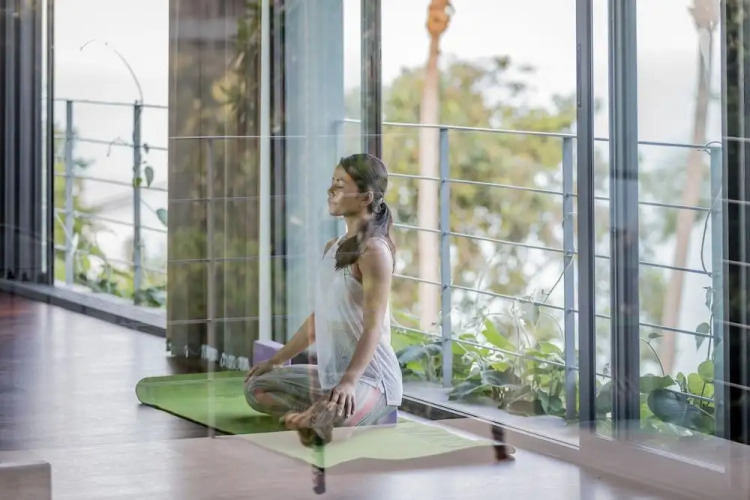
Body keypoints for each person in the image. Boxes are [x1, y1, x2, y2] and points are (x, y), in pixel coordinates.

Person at [244, 153, 403, 446]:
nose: (330, 191)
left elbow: (373, 327)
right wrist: (276, 360)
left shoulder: (375, 252)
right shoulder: (333, 246)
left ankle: (328, 416)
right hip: (331, 378)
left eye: (340, 185)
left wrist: (349, 381)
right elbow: (320, 319)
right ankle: (318, 414)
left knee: (333, 420)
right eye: (332, 183)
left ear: (365, 197)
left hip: (371, 380)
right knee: (256, 388)